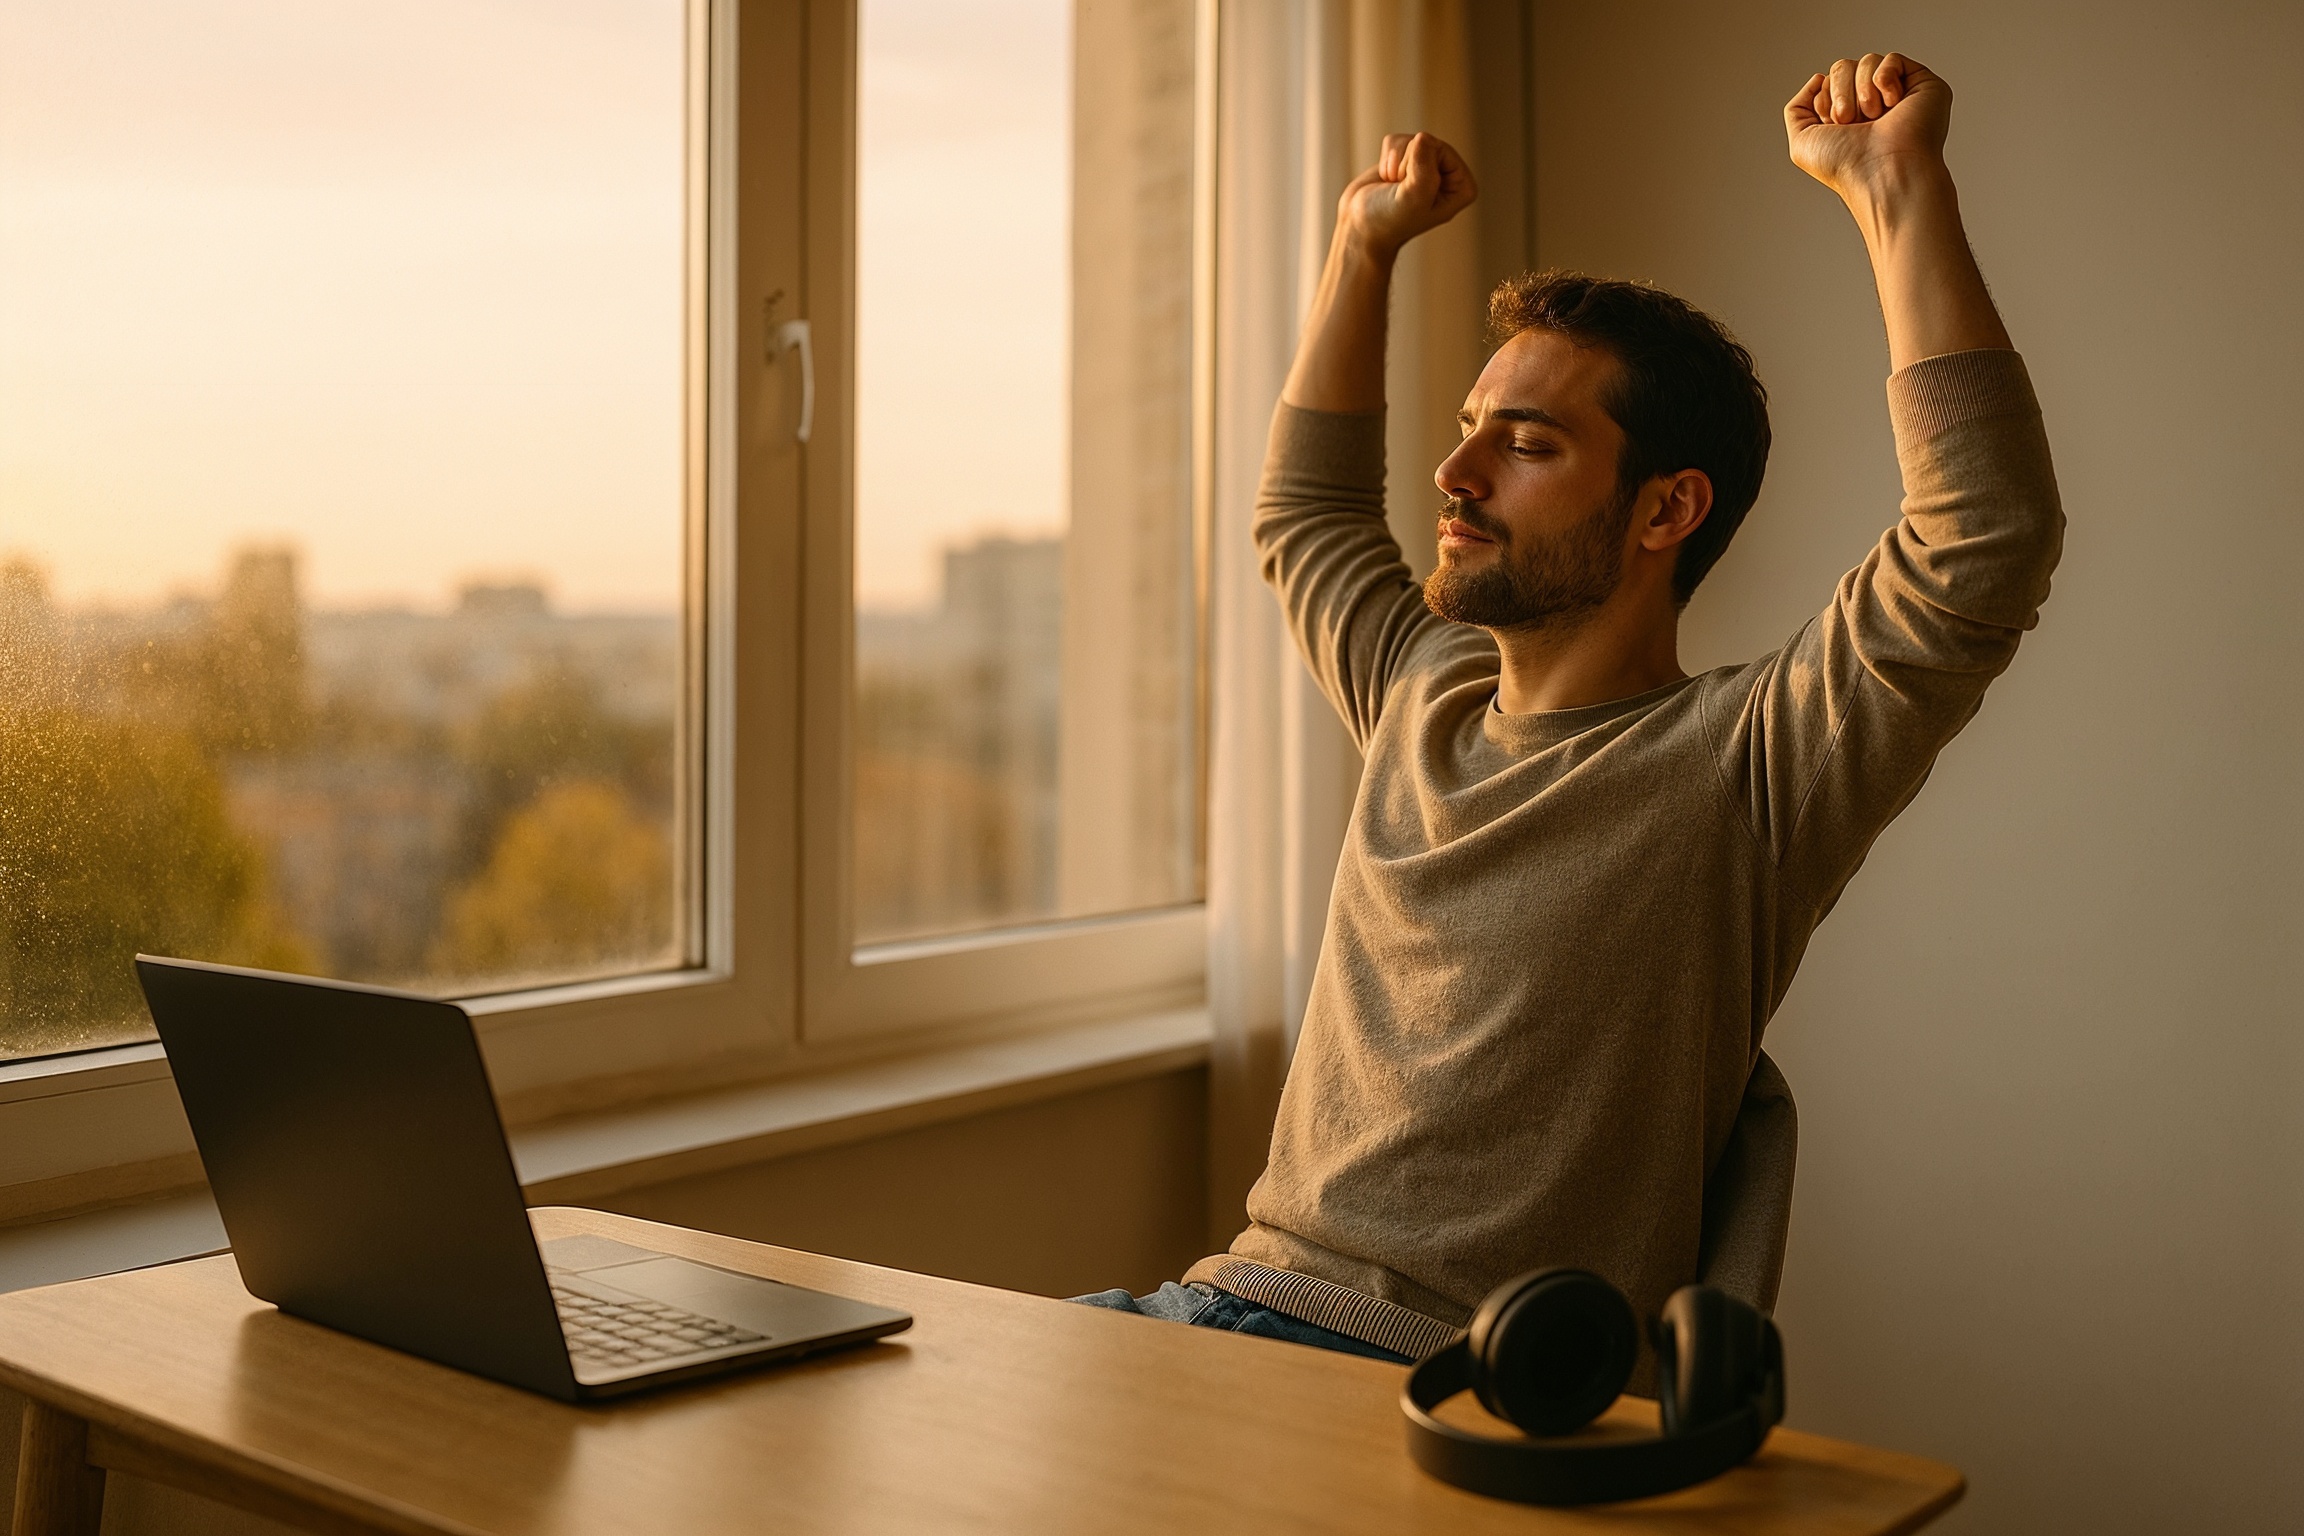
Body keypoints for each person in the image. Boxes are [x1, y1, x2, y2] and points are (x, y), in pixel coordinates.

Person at [1075, 53, 2063, 1370]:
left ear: (1666, 509)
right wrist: (1358, 249)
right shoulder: (1421, 695)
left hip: (1426, 1374)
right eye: (1473, 424)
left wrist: (1897, 190)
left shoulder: (1745, 764)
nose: (1456, 468)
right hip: (1213, 1312)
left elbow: (1979, 541)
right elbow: (1304, 517)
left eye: (1526, 444)